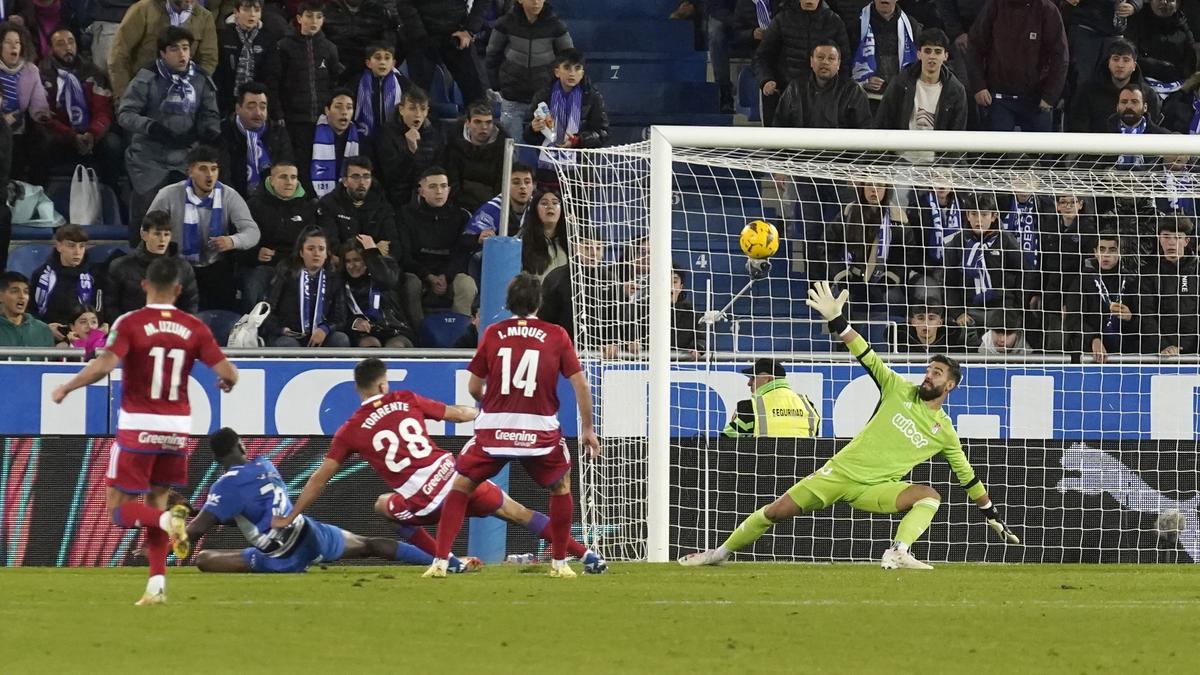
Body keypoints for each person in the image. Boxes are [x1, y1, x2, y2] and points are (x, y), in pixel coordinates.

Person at [681, 281, 1020, 570]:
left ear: (950, 386)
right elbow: (867, 354)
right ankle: (719, 553)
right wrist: (838, 321)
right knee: (775, 512)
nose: (928, 375)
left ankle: (899, 551)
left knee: (929, 496)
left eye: (937, 373)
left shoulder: (944, 431)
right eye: (929, 369)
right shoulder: (898, 388)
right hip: (839, 473)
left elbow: (967, 474)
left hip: (875, 488)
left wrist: (989, 512)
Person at [273, 358, 607, 573]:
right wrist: (488, 415)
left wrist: (291, 514)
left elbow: (318, 479)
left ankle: (446, 560)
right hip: (456, 479)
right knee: (520, 514)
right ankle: (586, 554)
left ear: (360, 390)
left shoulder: (350, 430)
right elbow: (457, 413)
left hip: (423, 503)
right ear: (382, 385)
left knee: (381, 506)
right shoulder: (404, 399)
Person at [50, 257, 239, 605]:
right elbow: (229, 372)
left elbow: (103, 365)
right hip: (177, 429)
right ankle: (156, 587)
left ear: (144, 286)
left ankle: (169, 520)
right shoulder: (194, 327)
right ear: (179, 290)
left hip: (138, 425)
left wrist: (68, 387)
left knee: (120, 512)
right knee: (155, 499)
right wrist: (225, 382)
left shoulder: (132, 322)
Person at [426, 274, 601, 578]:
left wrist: (489, 402)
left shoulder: (493, 333)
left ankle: (441, 559)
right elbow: (580, 384)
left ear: (508, 303)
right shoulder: (557, 334)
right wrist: (588, 428)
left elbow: (473, 386)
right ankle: (559, 563)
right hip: (538, 431)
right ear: (539, 302)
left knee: (462, 485)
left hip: (495, 428)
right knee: (561, 487)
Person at [186, 427, 481, 574]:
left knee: (204, 559)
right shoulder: (264, 464)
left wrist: (174, 523)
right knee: (370, 544)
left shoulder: (226, 485)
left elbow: (198, 530)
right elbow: (241, 511)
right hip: (307, 531)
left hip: (282, 554)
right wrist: (197, 510)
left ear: (217, 458)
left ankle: (278, 562)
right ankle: (452, 562)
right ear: (241, 445)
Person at [118, 26, 222, 241]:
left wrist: (207, 132)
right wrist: (151, 127)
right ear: (162, 54)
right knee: (146, 214)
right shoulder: (147, 78)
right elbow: (125, 114)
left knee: (187, 217)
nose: (182, 54)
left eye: (185, 48)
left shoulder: (201, 79)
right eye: (174, 49)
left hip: (186, 156)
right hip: (149, 157)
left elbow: (211, 114)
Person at [147, 144, 261, 310]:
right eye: (203, 169)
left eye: (214, 169)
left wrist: (232, 240)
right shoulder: (168, 194)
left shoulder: (229, 195)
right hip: (177, 265)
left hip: (215, 266)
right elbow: (148, 229)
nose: (210, 175)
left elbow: (252, 231)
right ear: (190, 171)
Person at [261, 0, 342, 175]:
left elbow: (334, 82)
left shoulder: (329, 49)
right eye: (309, 16)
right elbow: (274, 83)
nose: (314, 21)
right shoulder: (284, 46)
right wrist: (278, 113)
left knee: (323, 167)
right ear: (299, 18)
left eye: (318, 17)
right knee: (299, 164)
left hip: (322, 120)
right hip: (293, 119)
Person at [36, 26, 121, 187]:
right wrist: (70, 136)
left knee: (113, 144)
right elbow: (44, 115)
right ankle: (40, 193)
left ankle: (112, 192)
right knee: (41, 144)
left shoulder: (92, 71)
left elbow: (103, 110)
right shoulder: (42, 73)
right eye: (60, 44)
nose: (67, 47)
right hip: (61, 135)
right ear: (51, 49)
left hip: (90, 135)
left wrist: (92, 133)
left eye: (71, 42)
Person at [967, 0, 1067, 133]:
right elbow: (974, 46)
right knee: (994, 151)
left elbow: (1060, 56)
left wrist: (1050, 95)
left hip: (1036, 100)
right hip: (998, 98)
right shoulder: (994, 6)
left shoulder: (1047, 10)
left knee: (1043, 152)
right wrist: (979, 86)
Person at [485, 0, 575, 141]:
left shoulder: (556, 25)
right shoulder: (505, 23)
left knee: (549, 150)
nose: (536, 2)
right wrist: (498, 86)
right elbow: (492, 55)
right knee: (511, 150)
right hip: (512, 97)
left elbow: (569, 58)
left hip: (546, 98)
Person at [398, 166, 476, 325]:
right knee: (411, 283)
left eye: (443, 186)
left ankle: (460, 335)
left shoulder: (460, 216)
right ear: (421, 191)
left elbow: (462, 253)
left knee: (466, 283)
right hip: (419, 274)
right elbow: (404, 255)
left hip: (449, 276)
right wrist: (429, 277)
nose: (439, 191)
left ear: (449, 189)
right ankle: (418, 335)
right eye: (433, 186)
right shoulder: (405, 214)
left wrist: (445, 277)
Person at [942, 192, 1027, 337]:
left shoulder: (1006, 240)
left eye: (984, 214)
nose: (978, 220)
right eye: (974, 214)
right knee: (965, 337)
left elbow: (1024, 273)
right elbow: (949, 282)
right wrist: (957, 313)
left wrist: (1016, 307)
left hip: (1002, 307)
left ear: (994, 216)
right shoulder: (956, 243)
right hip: (969, 308)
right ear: (967, 215)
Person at [754, 0, 848, 127]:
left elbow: (845, 62)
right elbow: (762, 57)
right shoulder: (781, 20)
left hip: (825, 97)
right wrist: (766, 80)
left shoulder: (834, 21)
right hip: (785, 93)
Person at [523, 49, 610, 185]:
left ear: (582, 73)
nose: (572, 73)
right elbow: (527, 134)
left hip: (580, 171)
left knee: (578, 207)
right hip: (548, 170)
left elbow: (603, 134)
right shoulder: (543, 96)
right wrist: (533, 128)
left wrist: (576, 141)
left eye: (577, 68)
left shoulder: (592, 97)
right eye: (567, 67)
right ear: (557, 71)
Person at [242, 159, 316, 310]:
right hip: (265, 266)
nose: (289, 182)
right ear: (271, 180)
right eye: (283, 177)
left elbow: (315, 240)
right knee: (255, 281)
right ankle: (251, 327)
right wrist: (256, 253)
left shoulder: (307, 207)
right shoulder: (253, 206)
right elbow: (238, 244)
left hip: (297, 265)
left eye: (293, 177)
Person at [261, 225, 352, 347]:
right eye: (310, 248)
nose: (316, 253)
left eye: (321, 249)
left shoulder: (334, 279)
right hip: (289, 335)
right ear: (301, 252)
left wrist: (325, 329)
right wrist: (281, 330)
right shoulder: (287, 274)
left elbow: (340, 318)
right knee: (287, 345)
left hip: (320, 336)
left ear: (326, 254)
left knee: (340, 339)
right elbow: (267, 311)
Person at [104, 210, 200, 322]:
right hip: (133, 332)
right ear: (144, 235)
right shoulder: (120, 266)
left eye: (166, 234)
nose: (162, 239)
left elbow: (190, 307)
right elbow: (110, 307)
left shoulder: (183, 268)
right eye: (157, 234)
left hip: (170, 332)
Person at [108, 0, 219, 98]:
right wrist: (125, 97)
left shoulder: (205, 17)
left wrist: (193, 93)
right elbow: (119, 55)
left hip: (182, 98)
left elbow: (209, 60)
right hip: (143, 94)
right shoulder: (143, 9)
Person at [396, 0, 489, 106]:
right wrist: (420, 36)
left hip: (457, 35)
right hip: (420, 37)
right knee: (417, 97)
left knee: (477, 95)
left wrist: (469, 30)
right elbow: (404, 3)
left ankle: (478, 121)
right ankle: (422, 122)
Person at [872, 27, 966, 131]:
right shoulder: (900, 84)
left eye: (938, 52)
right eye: (927, 51)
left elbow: (957, 131)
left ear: (946, 56)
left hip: (939, 147)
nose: (932, 56)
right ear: (919, 54)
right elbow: (883, 123)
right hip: (903, 145)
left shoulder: (955, 90)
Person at [1068, 230, 1137, 362]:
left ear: (1120, 253)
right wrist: (1093, 338)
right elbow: (1073, 319)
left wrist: (1131, 318)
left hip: (1125, 352)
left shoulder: (1131, 281)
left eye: (1112, 250)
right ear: (1095, 252)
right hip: (1089, 352)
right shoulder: (1082, 279)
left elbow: (1145, 320)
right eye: (1102, 249)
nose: (1106, 255)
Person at [1067, 39, 1162, 134]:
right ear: (1108, 62)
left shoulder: (1148, 95)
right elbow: (1078, 129)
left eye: (1126, 60)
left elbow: (1152, 131)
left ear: (1134, 65)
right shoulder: (1087, 91)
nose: (1120, 65)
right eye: (1115, 59)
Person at [216, 81, 292, 197]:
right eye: (251, 107)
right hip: (232, 202)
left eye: (263, 107)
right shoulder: (223, 133)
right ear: (238, 108)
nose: (258, 113)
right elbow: (223, 178)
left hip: (270, 202)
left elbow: (286, 171)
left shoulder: (277, 133)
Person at [375, 85, 445, 210]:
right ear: (401, 109)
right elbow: (390, 177)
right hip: (396, 201)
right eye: (412, 108)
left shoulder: (434, 135)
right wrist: (410, 151)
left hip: (426, 199)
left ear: (427, 111)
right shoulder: (387, 133)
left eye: (422, 109)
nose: (418, 114)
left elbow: (439, 171)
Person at [773, 40, 870, 129]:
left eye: (831, 58)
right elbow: (779, 126)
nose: (825, 62)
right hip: (801, 147)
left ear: (838, 64)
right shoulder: (795, 88)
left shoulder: (853, 91)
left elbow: (864, 130)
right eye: (820, 57)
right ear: (811, 61)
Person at [1139, 215, 1199, 355]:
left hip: (1195, 351)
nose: (1171, 243)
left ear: (1186, 241)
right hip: (1160, 352)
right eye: (1166, 237)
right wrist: (1163, 346)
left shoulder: (1197, 270)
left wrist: (1184, 347)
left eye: (1177, 237)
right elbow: (1146, 315)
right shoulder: (1148, 273)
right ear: (1159, 239)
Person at [339, 236, 415, 348]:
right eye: (348, 261)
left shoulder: (385, 268)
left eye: (357, 260)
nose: (352, 266)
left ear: (366, 260)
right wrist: (355, 323)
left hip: (394, 329)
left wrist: (371, 252)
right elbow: (338, 315)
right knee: (369, 344)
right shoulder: (341, 282)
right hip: (364, 333)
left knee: (395, 346)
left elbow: (389, 281)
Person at [316, 154, 399, 254]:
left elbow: (393, 246)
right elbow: (331, 247)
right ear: (345, 181)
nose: (362, 182)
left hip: (375, 265)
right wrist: (371, 249)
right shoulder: (328, 204)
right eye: (356, 177)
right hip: (344, 266)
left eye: (366, 176)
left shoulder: (382, 205)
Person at [0, 22, 51, 182]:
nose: (13, 47)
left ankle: (36, 193)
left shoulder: (31, 70)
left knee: (38, 142)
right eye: (8, 42)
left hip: (19, 126)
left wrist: (42, 115)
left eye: (17, 43)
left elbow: (38, 105)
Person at [214, 0, 282, 116]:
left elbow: (272, 75)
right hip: (226, 103)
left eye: (256, 10)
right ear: (236, 12)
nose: (252, 14)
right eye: (246, 9)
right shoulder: (223, 36)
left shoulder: (268, 38)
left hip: (257, 102)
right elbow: (219, 73)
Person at [722, 357, 819, 437]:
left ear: (767, 379)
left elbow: (727, 441)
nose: (749, 383)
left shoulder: (751, 407)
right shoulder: (807, 404)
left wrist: (734, 421)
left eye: (753, 377)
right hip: (802, 460)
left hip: (763, 460)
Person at [30, 224, 99, 335]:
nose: (77, 252)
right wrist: (45, 328)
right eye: (71, 246)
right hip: (46, 333)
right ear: (59, 246)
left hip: (84, 335)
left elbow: (98, 311)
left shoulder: (94, 275)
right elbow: (30, 310)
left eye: (82, 246)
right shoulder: (41, 275)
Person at [445, 99, 511, 214]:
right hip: (459, 208)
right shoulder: (453, 145)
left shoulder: (504, 147)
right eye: (478, 122)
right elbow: (452, 183)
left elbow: (502, 186)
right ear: (468, 123)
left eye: (488, 122)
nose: (484, 127)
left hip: (492, 209)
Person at [850, 0, 922, 104]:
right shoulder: (857, 24)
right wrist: (863, 81)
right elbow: (845, 61)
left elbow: (919, 62)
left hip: (901, 97)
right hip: (866, 98)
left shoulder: (912, 26)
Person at [309, 88, 370, 197]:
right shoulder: (310, 135)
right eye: (338, 107)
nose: (344, 112)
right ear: (327, 110)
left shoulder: (361, 140)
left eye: (349, 108)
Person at [321, 0, 397, 88]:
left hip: (370, 71)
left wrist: (374, 65)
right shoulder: (326, 11)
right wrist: (335, 65)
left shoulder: (379, 11)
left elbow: (389, 45)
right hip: (335, 71)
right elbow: (320, 44)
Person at [1127, 0, 1196, 90]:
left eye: (1170, 0)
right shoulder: (1137, 21)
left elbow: (1190, 57)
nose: (1164, 2)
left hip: (1178, 84)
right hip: (1143, 83)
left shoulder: (1182, 24)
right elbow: (1130, 55)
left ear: (1177, 5)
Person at [351, 42, 410, 139]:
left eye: (387, 58)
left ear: (393, 63)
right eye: (377, 58)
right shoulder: (356, 83)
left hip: (393, 138)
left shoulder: (402, 83)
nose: (382, 62)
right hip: (363, 137)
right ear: (368, 63)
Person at [518, 187, 568, 279]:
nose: (550, 206)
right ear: (535, 209)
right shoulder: (521, 242)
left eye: (555, 203)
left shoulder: (571, 242)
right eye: (544, 203)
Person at [0, 271, 54, 347]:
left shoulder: (42, 329)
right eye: (15, 291)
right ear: (1, 296)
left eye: (26, 292)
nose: (22, 296)